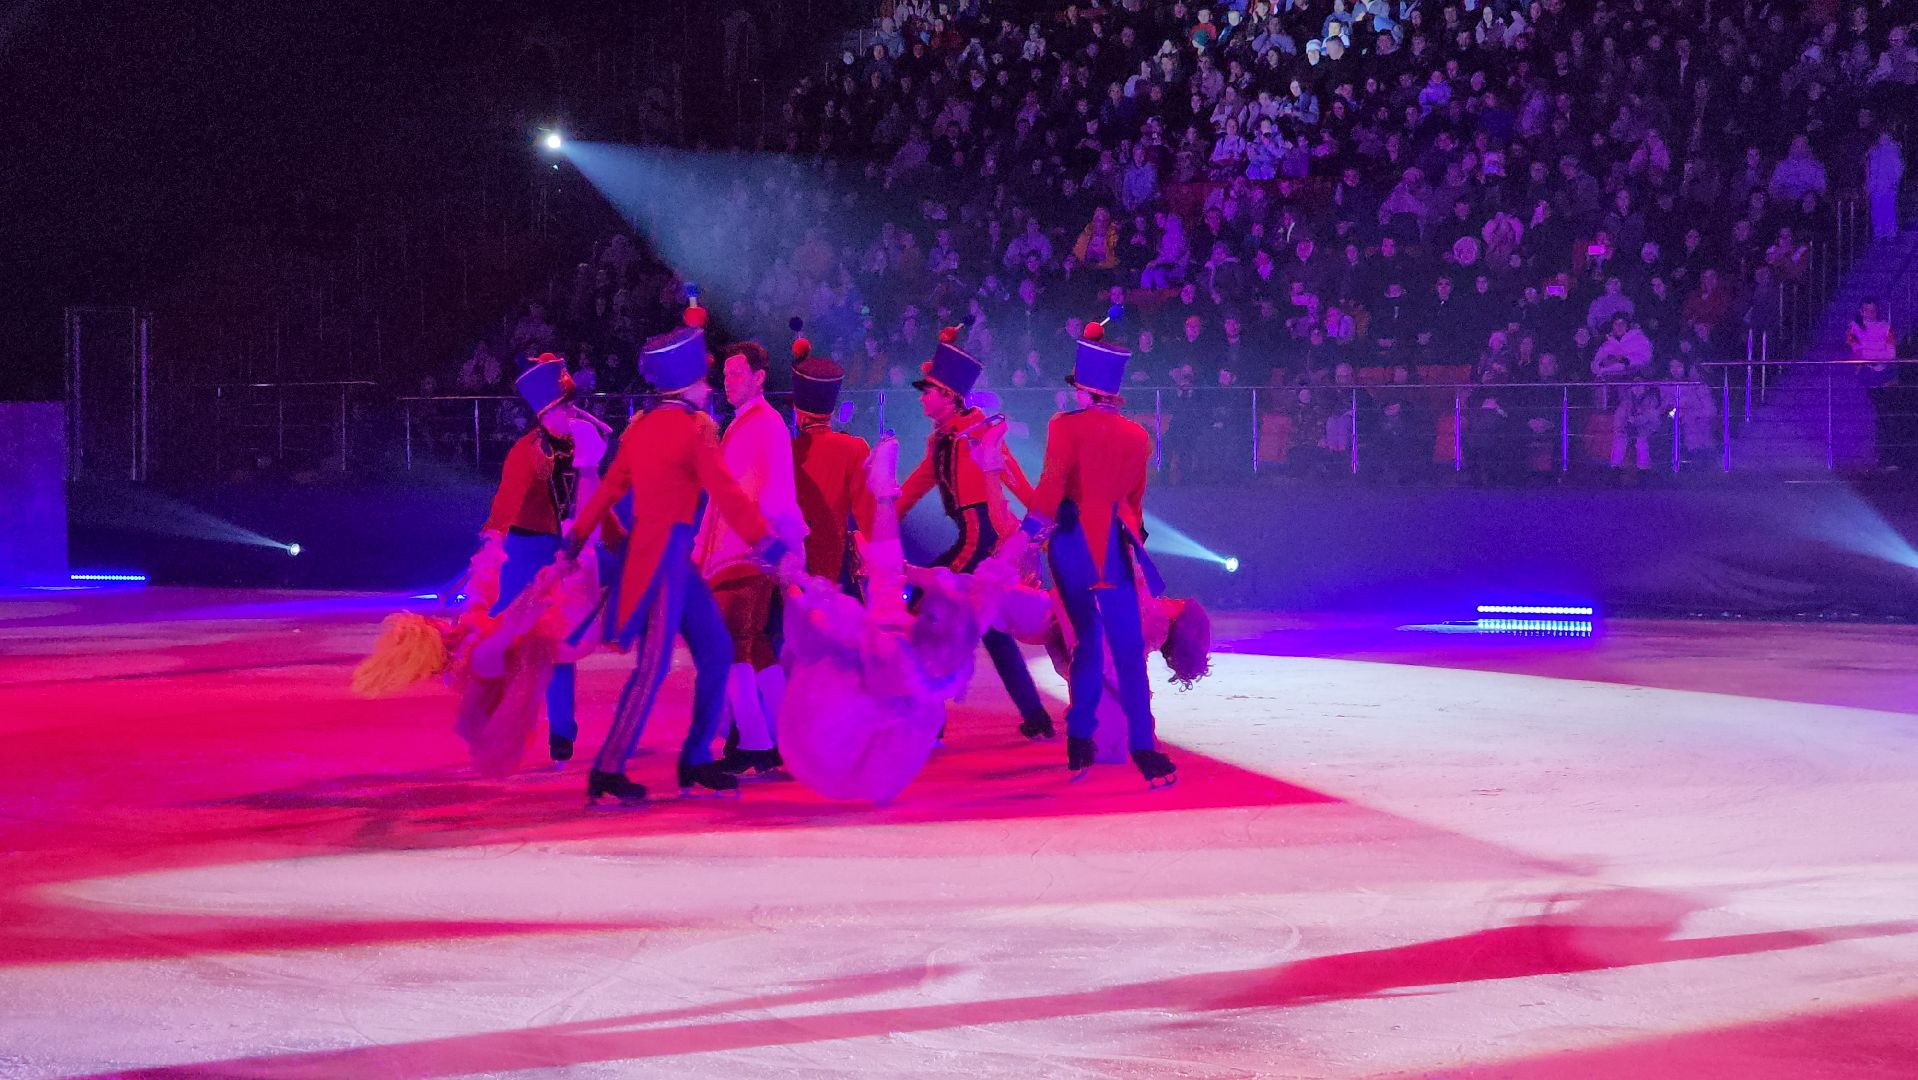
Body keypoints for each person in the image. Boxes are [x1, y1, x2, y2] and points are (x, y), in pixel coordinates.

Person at [564, 302, 796, 806]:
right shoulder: (692, 432)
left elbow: (605, 491)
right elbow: (729, 495)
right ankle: (608, 769)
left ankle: (695, 760)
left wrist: (578, 536)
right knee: (654, 665)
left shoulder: (642, 429)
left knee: (715, 652)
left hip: (670, 558)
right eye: (703, 380)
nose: (710, 387)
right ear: (685, 384)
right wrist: (770, 544)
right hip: (664, 558)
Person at [1019, 314, 1176, 787]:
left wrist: (1026, 539)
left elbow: (1050, 488)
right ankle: (1145, 750)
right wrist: (1135, 548)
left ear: (1086, 390)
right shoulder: (1138, 436)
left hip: (1071, 545)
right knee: (1128, 648)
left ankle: (1080, 743)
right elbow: (1135, 504)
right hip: (1114, 545)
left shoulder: (1063, 427)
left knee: (1086, 640)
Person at [897, 328, 1057, 741]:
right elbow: (910, 490)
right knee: (994, 629)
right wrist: (872, 517)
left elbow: (1015, 480)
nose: (921, 398)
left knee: (924, 607)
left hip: (984, 546)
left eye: (928, 391)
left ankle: (929, 719)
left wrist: (1044, 519)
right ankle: (1035, 717)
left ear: (949, 396)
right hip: (971, 543)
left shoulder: (980, 431)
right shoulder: (941, 442)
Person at [478, 353, 617, 766]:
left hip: (563, 554)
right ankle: (495, 721)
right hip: (524, 554)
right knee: (505, 641)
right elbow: (505, 502)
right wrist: (492, 538)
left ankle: (561, 733)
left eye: (574, 405)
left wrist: (613, 539)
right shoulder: (526, 453)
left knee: (559, 644)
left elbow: (596, 502)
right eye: (567, 407)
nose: (575, 413)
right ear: (547, 413)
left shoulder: (581, 445)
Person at [696, 338, 810, 778]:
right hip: (736, 551)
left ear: (760, 378)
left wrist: (778, 547)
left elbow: (778, 493)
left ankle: (761, 742)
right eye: (725, 375)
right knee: (752, 645)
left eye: (737, 374)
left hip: (747, 551)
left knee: (734, 647)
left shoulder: (765, 424)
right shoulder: (750, 423)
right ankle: (779, 737)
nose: (728, 381)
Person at [789, 336, 874, 592]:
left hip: (794, 562)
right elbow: (868, 515)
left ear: (799, 413)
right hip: (835, 561)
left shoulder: (787, 450)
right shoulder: (855, 448)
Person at [1865, 132, 1905, 242]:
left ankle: (1889, 232)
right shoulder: (1875, 151)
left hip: (1887, 185)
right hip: (1877, 186)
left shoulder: (1893, 150)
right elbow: (1871, 168)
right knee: (1878, 209)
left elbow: (1898, 168)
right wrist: (1870, 184)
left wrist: (1894, 181)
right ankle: (1880, 232)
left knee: (1888, 208)